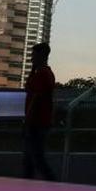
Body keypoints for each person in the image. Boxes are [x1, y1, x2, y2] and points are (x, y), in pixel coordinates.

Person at [23, 42, 57, 180]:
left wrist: (28, 119)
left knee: (36, 158)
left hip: (37, 122)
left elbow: (36, 98)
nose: (32, 58)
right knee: (31, 159)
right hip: (37, 122)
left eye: (34, 55)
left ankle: (53, 185)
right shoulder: (42, 73)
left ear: (41, 56)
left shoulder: (44, 74)